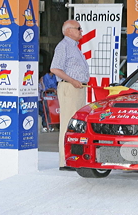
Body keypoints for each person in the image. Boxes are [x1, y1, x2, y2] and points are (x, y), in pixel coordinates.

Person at [50, 20, 89, 171]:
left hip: (78, 88)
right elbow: (54, 68)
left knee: (77, 124)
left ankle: (74, 157)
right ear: (68, 31)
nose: (81, 31)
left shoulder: (75, 47)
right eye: (78, 28)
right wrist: (72, 81)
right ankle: (65, 161)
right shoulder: (63, 46)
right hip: (70, 88)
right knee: (68, 123)